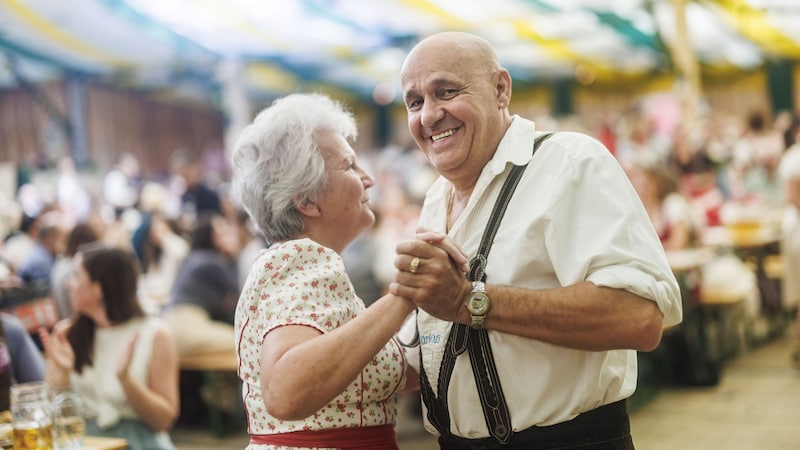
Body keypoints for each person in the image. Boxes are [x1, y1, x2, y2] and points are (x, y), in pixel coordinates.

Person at [391, 32, 682, 449]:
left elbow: (639, 316)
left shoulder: (569, 161)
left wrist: (469, 300)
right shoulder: (437, 197)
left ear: (500, 89)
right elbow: (441, 348)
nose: (429, 115)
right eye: (415, 102)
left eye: (446, 91)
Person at [229, 92, 467, 449]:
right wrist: (405, 295)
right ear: (307, 201)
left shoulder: (290, 262)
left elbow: (356, 375)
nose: (367, 178)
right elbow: (284, 390)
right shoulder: (304, 258)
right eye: (348, 165)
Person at [38, 244, 179, 450]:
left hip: (140, 442)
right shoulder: (66, 334)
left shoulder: (155, 334)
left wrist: (126, 381)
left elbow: (163, 421)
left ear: (99, 289)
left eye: (76, 276)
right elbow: (53, 414)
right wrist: (62, 373)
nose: (69, 284)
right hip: (84, 442)